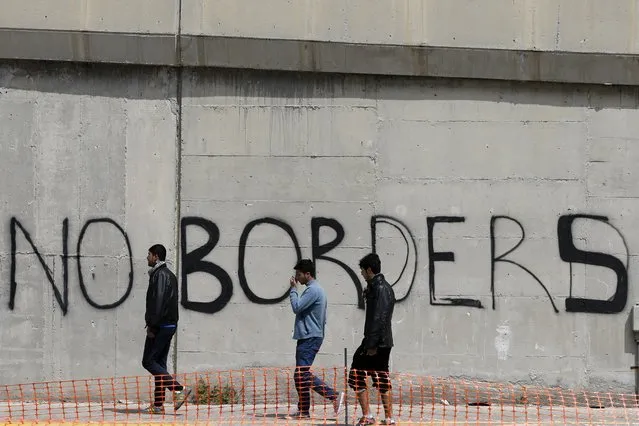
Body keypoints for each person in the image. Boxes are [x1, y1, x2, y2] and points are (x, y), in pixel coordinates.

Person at [287, 259, 344, 420]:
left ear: (308, 274)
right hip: (309, 336)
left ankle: (333, 396)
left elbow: (296, 307)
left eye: (299, 274)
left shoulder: (313, 290)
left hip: (310, 337)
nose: (296, 278)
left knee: (302, 374)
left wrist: (293, 290)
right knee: (300, 375)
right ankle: (303, 410)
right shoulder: (315, 289)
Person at [348, 253, 397, 426]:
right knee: (381, 377)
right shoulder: (378, 287)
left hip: (377, 342)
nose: (361, 274)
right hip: (381, 340)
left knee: (356, 374)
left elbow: (379, 318)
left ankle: (369, 415)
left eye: (362, 270)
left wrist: (371, 345)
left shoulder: (380, 288)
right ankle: (388, 418)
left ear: (369, 269)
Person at [142, 244, 191, 414]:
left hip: (161, 325)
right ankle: (158, 405)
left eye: (149, 255)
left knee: (148, 361)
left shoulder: (160, 275)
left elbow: (159, 302)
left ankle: (178, 389)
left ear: (156, 256)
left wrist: (152, 326)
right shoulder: (168, 274)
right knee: (159, 365)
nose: (147, 257)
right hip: (168, 325)